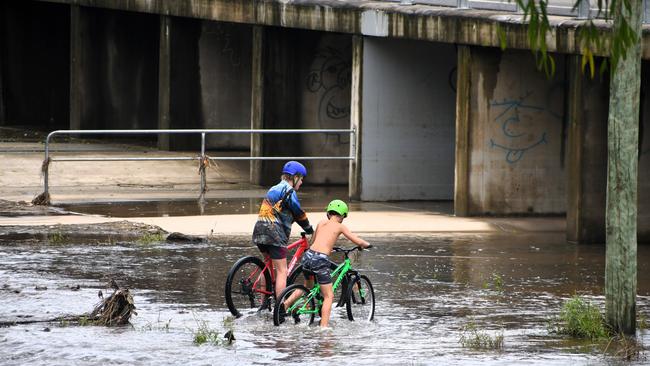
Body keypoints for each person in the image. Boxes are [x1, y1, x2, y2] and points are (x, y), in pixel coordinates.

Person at [300, 199, 370, 327]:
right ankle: (323, 329)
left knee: (307, 286)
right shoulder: (340, 226)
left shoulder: (321, 222)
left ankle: (285, 305)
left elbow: (314, 241)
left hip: (308, 256)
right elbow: (357, 241)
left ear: (328, 213)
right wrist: (367, 245)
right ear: (343, 216)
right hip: (320, 260)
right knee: (329, 296)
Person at [252, 161, 314, 302]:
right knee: (282, 271)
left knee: (267, 265)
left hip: (259, 230)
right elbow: (298, 213)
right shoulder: (288, 191)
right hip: (274, 232)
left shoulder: (273, 188)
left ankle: (263, 302)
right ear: (295, 177)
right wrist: (309, 229)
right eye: (302, 179)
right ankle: (280, 307)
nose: (302, 182)